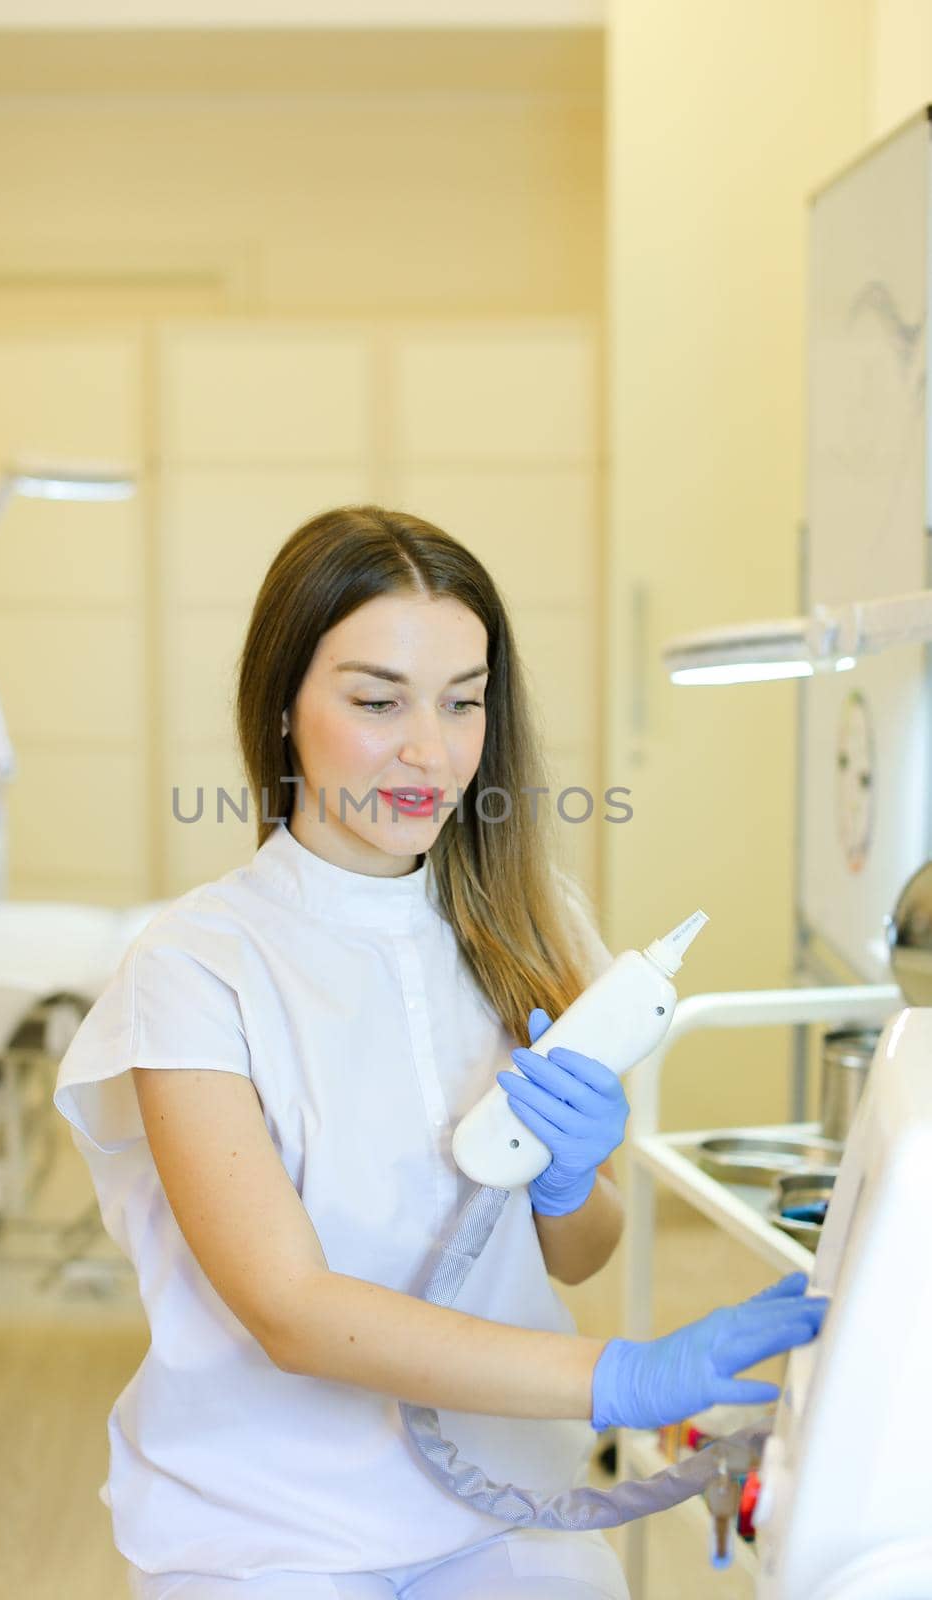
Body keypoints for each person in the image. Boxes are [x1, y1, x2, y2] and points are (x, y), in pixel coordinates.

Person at [53, 505, 827, 1600]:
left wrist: (569, 1179)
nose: (430, 749)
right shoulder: (194, 968)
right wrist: (620, 1375)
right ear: (281, 705)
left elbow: (579, 1250)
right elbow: (293, 1310)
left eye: (463, 701)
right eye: (376, 701)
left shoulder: (529, 917)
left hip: (504, 1504)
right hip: (265, 1532)